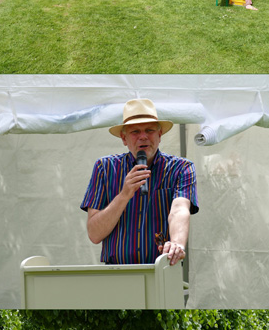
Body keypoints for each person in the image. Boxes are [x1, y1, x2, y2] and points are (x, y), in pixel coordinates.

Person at [82, 99, 196, 266]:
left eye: (149, 130)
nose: (143, 136)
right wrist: (124, 195)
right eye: (135, 131)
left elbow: (179, 209)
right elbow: (94, 234)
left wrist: (177, 243)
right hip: (118, 275)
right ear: (124, 138)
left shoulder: (181, 168)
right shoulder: (105, 168)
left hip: (162, 271)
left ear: (159, 135)